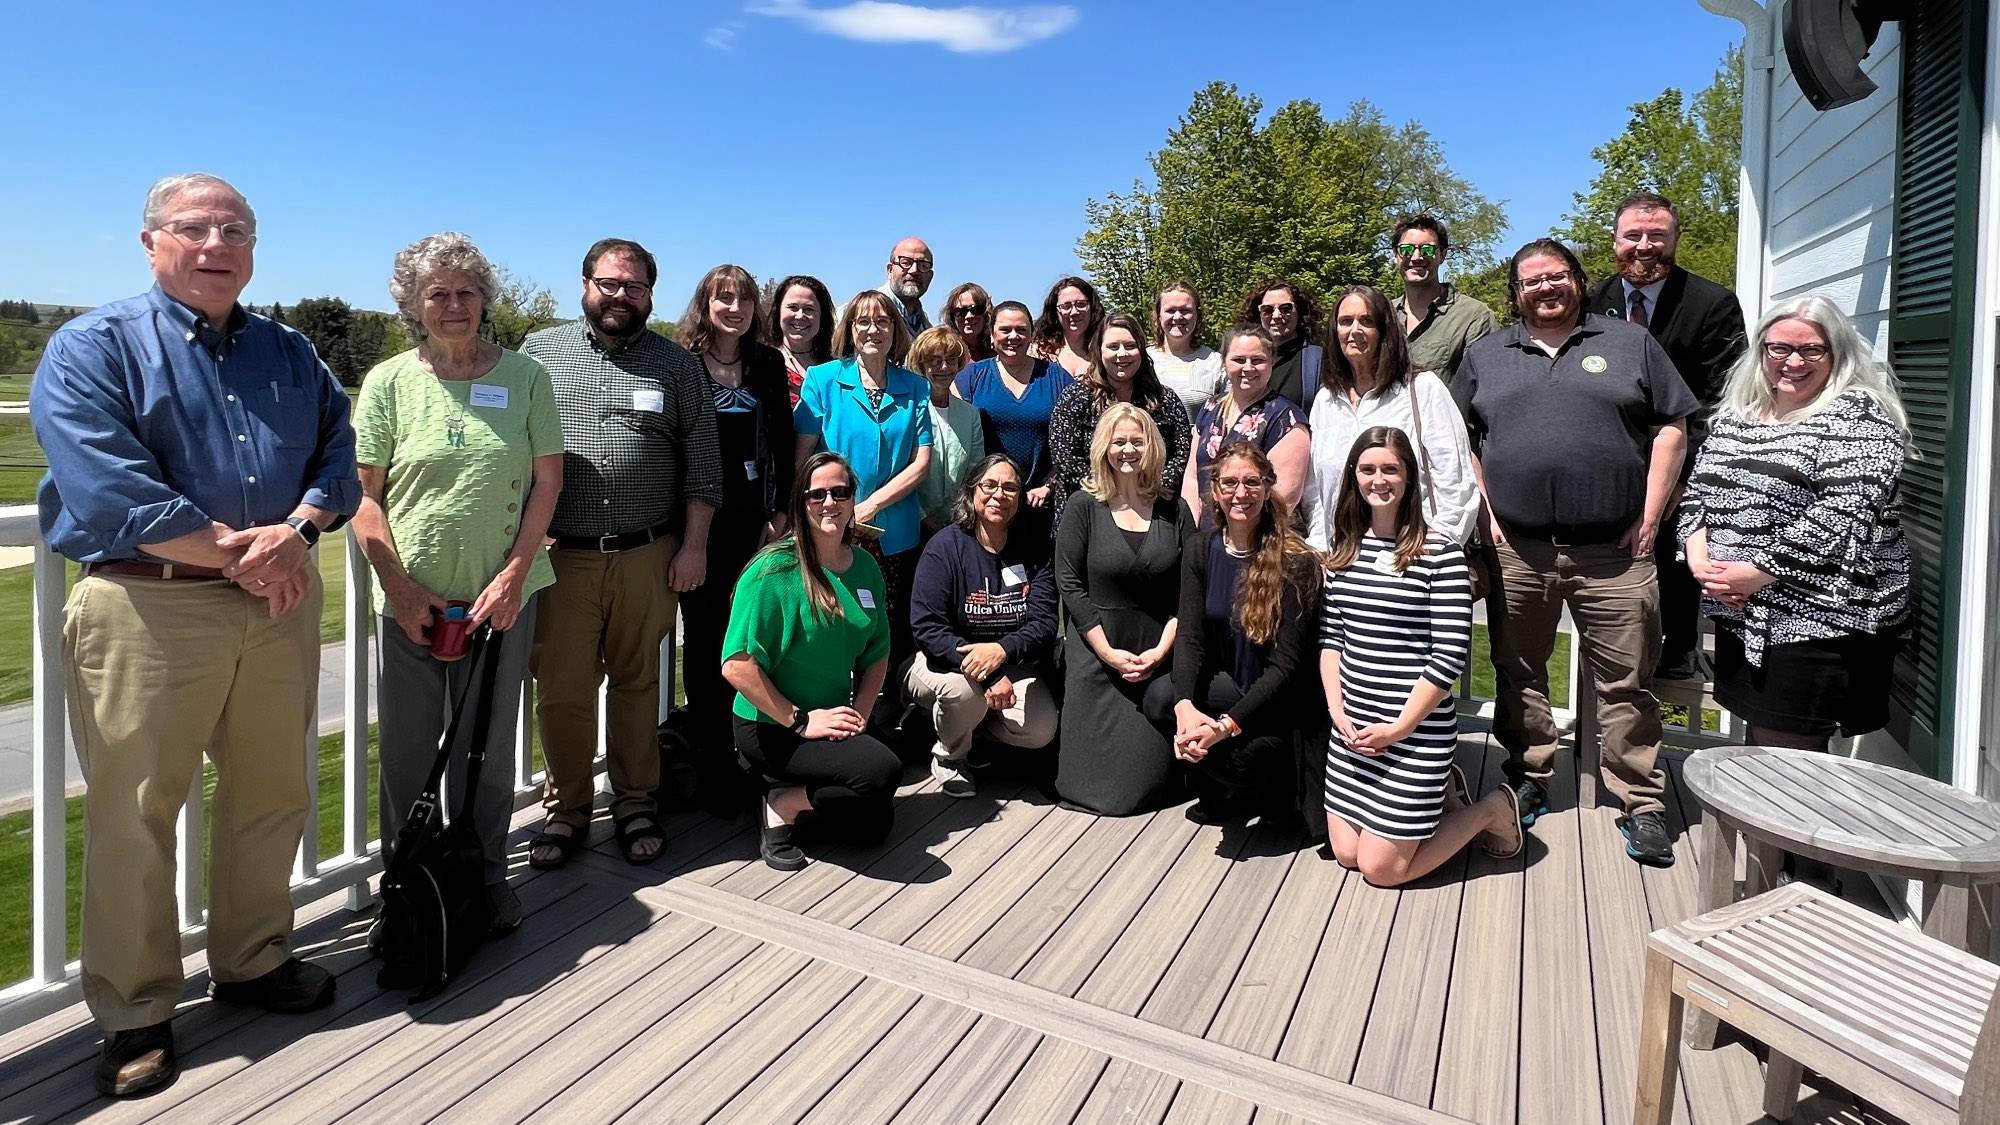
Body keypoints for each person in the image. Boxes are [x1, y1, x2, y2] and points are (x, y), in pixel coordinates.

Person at [32, 172, 358, 1097]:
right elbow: (111, 489)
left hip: (277, 601)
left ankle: (252, 958)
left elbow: (338, 459)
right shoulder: (93, 347)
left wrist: (298, 532)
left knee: (271, 790)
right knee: (135, 812)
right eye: (195, 227)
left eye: (236, 230)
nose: (218, 244)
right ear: (151, 242)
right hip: (148, 605)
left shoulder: (291, 352)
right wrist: (248, 555)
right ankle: (136, 1009)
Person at [1453, 238, 1698, 868]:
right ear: (1516, 292)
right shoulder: (1486, 354)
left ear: (1579, 281)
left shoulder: (1629, 343)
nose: (1546, 287)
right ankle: (1528, 777)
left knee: (1627, 682)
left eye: (1557, 275)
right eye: (1531, 280)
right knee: (1518, 672)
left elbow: (1673, 427)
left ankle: (1642, 801)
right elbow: (1460, 440)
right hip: (1519, 550)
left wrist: (1651, 515)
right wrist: (1485, 511)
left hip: (1615, 551)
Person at [354, 232, 563, 926]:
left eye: (466, 291)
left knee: (487, 749)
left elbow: (548, 479)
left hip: (501, 599)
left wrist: (513, 576)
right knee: (408, 755)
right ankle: (407, 892)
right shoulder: (388, 383)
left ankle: (485, 879)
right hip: (410, 602)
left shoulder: (525, 377)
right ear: (413, 304)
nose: (453, 305)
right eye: (437, 293)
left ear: (485, 300)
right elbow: (364, 497)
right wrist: (402, 588)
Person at [519, 239, 720, 870]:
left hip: (647, 553)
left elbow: (703, 461)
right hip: (563, 558)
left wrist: (694, 545)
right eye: (609, 283)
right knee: (563, 690)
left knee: (637, 685)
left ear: (650, 295)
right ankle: (567, 809)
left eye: (634, 287)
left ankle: (636, 803)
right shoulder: (539, 353)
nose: (620, 296)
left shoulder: (676, 365)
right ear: (585, 284)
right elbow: (515, 448)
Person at [1679, 295, 1909, 752]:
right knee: (1759, 745)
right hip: (1742, 612)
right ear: (1762, 350)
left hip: (1817, 623)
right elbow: (1698, 493)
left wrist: (1756, 573)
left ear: (1837, 353)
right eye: (1780, 348)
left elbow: (1843, 513)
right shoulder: (1741, 413)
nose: (1794, 362)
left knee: (1788, 760)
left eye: (1811, 350)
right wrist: (1699, 559)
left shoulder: (1860, 418)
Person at [1319, 427, 1522, 884]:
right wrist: (1336, 710)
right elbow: (1332, 639)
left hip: (1413, 732)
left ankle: (1491, 810)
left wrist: (1399, 728)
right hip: (1352, 731)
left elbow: (1449, 657)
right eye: (1368, 469)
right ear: (1354, 475)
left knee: (1380, 870)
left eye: (1390, 469)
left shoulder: (1439, 553)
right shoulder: (1345, 549)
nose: (1378, 480)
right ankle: (1444, 793)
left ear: (1409, 476)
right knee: (1346, 853)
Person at [1587, 192, 1749, 683]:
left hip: (1684, 473)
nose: (1644, 245)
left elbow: (1723, 399)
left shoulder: (1712, 304)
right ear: (1615, 240)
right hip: (1606, 471)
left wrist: (1679, 476)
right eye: (1633, 235)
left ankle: (1678, 651)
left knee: (1673, 566)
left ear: (1676, 238)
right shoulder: (1591, 303)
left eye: (1656, 235)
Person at [722, 453, 901, 870]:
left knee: (874, 828)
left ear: (854, 499)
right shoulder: (773, 571)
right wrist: (800, 721)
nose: (829, 503)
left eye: (840, 492)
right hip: (772, 725)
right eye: (816, 494)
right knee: (881, 771)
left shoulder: (865, 567)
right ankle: (781, 804)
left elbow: (878, 654)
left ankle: (795, 790)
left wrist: (860, 715)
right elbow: (736, 664)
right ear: (800, 503)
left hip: (831, 719)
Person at [674, 263, 797, 804]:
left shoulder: (766, 364)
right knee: (704, 644)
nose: (735, 309)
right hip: (698, 525)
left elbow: (783, 442)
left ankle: (751, 754)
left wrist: (780, 513)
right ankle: (713, 764)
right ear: (705, 305)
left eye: (745, 300)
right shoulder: (682, 364)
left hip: (756, 524)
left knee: (750, 638)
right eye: (724, 299)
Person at [1165, 442, 1320, 826]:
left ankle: (1270, 793)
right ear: (1215, 491)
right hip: (1232, 686)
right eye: (1230, 482)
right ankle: (1218, 791)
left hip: (1280, 706)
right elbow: (1189, 637)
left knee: (1231, 757)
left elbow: (1286, 668)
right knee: (1162, 700)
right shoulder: (1201, 549)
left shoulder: (1295, 560)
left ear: (1267, 488)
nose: (1241, 493)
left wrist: (1224, 726)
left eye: (1252, 482)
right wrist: (1185, 707)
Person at [1055, 405, 1195, 815]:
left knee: (1145, 786)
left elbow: (1189, 590)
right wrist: (1107, 652)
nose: (1128, 450)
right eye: (1119, 442)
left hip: (1155, 654)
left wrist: (1161, 651)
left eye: (1137, 441)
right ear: (1104, 447)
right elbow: (1069, 583)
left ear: (1152, 447)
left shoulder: (1174, 509)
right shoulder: (1083, 506)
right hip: (1097, 650)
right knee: (1103, 791)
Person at [906, 454, 1060, 796]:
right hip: (943, 662)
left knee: (1040, 729)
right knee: (964, 696)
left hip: (1008, 662)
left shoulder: (1034, 550)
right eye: (989, 485)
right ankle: (950, 757)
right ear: (972, 491)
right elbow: (928, 627)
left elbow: (1045, 623)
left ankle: (965, 731)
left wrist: (1002, 650)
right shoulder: (945, 547)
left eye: (1010, 488)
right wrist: (988, 674)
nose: (999, 495)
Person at [794, 290, 933, 664]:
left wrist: (869, 506)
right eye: (864, 322)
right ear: (850, 329)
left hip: (895, 532)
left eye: (883, 321)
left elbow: (921, 463)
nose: (874, 330)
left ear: (895, 330)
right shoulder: (822, 380)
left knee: (888, 630)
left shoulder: (916, 387)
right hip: (830, 525)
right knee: (832, 627)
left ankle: (886, 697)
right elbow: (801, 459)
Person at [1307, 285, 1480, 548]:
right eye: (1346, 321)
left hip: (1411, 552)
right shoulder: (1326, 401)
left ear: (1384, 330)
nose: (1355, 330)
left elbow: (1455, 479)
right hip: (1342, 555)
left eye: (1367, 321)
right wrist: (1322, 546)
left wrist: (1438, 547)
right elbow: (1318, 491)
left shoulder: (1422, 389)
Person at [1049, 311, 1193, 511]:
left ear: (1141, 350)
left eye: (1130, 346)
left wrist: (1146, 491)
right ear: (1099, 350)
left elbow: (1181, 454)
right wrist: (1114, 493)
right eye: (1113, 347)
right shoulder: (1074, 398)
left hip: (1153, 505)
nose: (1122, 354)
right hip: (1091, 508)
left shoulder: (1165, 400)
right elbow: (1066, 459)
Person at [955, 300, 1075, 529]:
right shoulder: (970, 378)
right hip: (987, 505)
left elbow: (1075, 442)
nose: (1013, 336)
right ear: (992, 335)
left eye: (1021, 330)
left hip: (1041, 505)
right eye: (1005, 330)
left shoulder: (1057, 378)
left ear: (1031, 335)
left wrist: (1049, 485)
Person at [1186, 324, 1311, 519]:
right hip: (1203, 533)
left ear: (1272, 362)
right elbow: (1192, 478)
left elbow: (1283, 500)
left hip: (1258, 532)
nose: (1248, 367)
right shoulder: (1210, 408)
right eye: (1239, 360)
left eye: (1258, 360)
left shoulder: (1287, 420)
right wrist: (1191, 528)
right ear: (1224, 362)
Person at [1389, 214, 1497, 386]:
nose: (1416, 257)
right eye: (1406, 249)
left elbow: (1487, 386)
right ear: (1396, 255)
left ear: (1442, 255)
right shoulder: (1382, 316)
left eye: (1427, 249)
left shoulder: (1474, 317)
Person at [909, 326, 985, 533]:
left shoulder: (970, 414)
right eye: (934, 361)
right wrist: (923, 518)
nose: (944, 367)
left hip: (957, 522)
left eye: (951, 360)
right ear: (921, 364)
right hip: (913, 523)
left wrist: (961, 514)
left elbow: (975, 469)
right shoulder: (909, 410)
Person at [1237, 279, 1323, 408]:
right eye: (1268, 310)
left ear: (1299, 311)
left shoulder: (1318, 360)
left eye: (1286, 308)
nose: (1276, 315)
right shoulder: (1245, 359)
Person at [1149, 280, 1223, 420]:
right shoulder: (1143, 360)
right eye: (1170, 311)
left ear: (1197, 315)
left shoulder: (1216, 363)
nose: (1178, 317)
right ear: (1158, 316)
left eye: (1185, 310)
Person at [766, 274, 835, 407]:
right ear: (778, 311)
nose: (800, 316)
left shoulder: (835, 369)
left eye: (809, 309)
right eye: (793, 307)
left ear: (822, 316)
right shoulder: (761, 364)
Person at [1034, 275, 1104, 378]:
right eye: (1066, 306)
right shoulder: (1038, 352)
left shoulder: (1104, 352)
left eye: (1081, 304)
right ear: (1055, 311)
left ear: (1092, 307)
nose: (1074, 312)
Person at [878, 236, 934, 339]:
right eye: (905, 263)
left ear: (930, 276)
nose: (914, 270)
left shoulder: (926, 327)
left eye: (923, 265)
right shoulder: (861, 312)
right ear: (890, 270)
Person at [941, 281, 996, 364]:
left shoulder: (999, 349)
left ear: (986, 314)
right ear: (952, 317)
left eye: (976, 310)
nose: (969, 316)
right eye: (960, 312)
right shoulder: (944, 350)